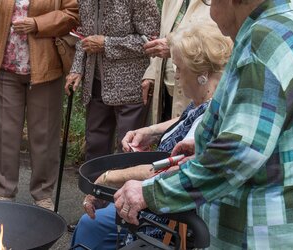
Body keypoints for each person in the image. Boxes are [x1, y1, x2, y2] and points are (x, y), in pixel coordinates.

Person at [114, 0, 293, 248]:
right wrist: (210, 141)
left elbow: (238, 155)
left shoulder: (262, 46)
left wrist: (150, 192)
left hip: (266, 237)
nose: (210, 8)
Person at [70, 22, 232, 250]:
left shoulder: (211, 117)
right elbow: (185, 120)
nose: (175, 76)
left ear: (202, 75)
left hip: (169, 212)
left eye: (179, 68)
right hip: (162, 200)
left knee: (90, 226)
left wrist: (107, 177)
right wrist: (151, 131)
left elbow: (171, 169)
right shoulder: (210, 101)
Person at [0, 0, 78, 210]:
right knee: (4, 135)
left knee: (44, 135)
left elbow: (72, 15)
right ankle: (4, 192)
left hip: (46, 68)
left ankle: (42, 194)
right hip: (4, 68)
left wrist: (37, 24)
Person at [64, 0, 160, 161]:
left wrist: (107, 44)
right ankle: (94, 185)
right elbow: (83, 34)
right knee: (94, 145)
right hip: (95, 83)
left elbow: (151, 40)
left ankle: (124, 186)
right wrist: (77, 68)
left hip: (131, 87)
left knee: (128, 148)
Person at [141, 0, 212, 124]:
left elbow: (221, 45)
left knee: (189, 129)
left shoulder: (220, 4)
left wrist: (174, 48)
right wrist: (152, 74)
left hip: (197, 87)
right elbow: (165, 34)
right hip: (167, 87)